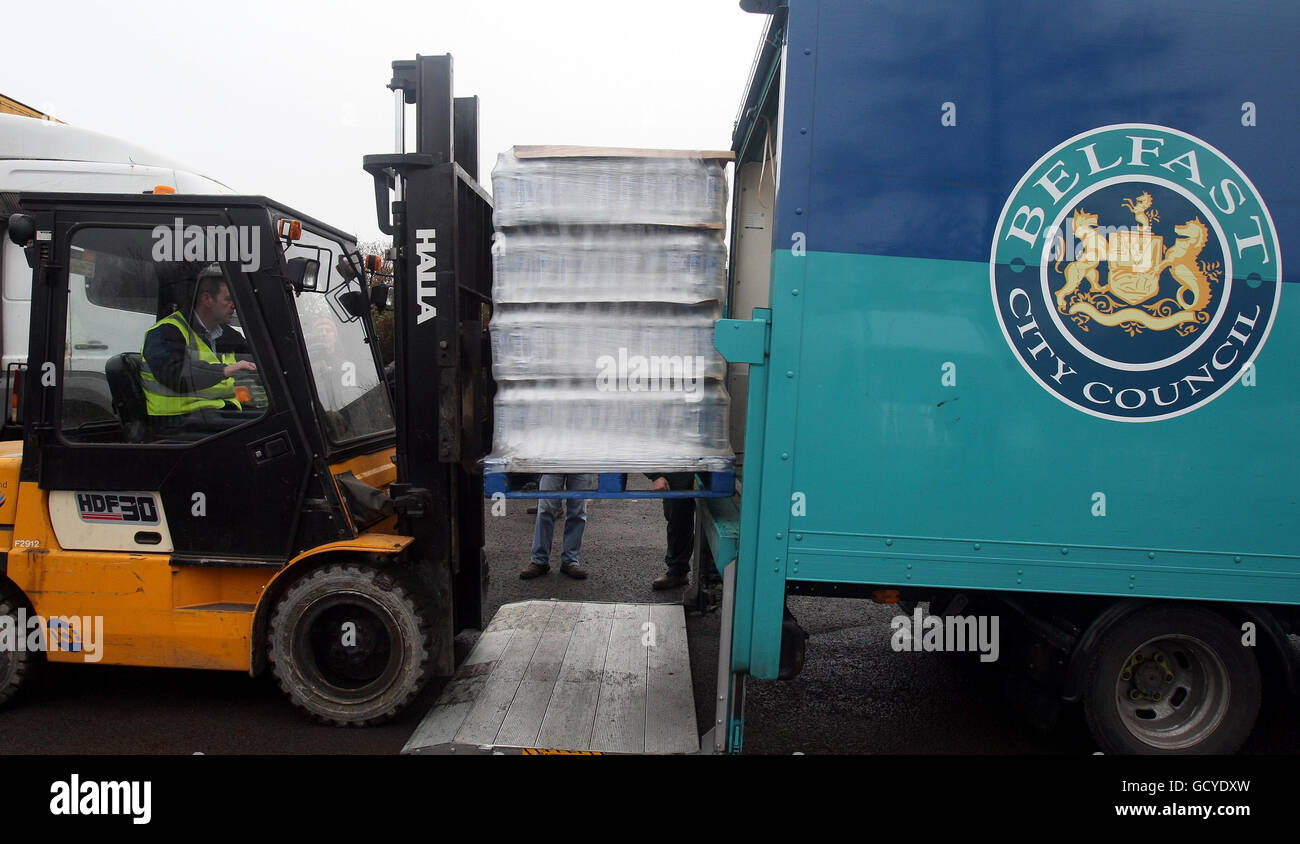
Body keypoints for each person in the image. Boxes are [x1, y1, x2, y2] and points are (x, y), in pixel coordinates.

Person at [139, 264, 258, 436]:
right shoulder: (165, 333)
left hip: (218, 412)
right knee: (259, 431)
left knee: (279, 418)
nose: (234, 305)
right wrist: (225, 370)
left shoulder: (226, 335)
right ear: (207, 299)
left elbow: (257, 360)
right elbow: (176, 375)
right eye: (228, 299)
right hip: (178, 421)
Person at [647, 472, 717, 590]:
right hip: (676, 469)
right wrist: (656, 476)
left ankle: (711, 573)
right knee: (677, 516)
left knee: (714, 511)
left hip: (706, 463)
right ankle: (678, 572)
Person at [521, 473, 596, 580]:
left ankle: (570, 560)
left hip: (581, 462)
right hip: (551, 462)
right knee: (545, 510)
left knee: (577, 511)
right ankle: (539, 561)